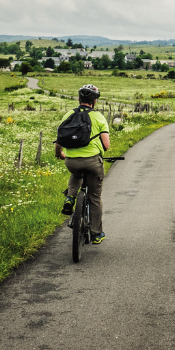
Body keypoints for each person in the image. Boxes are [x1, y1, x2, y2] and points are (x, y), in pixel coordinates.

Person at [55, 84, 111, 244]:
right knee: (94, 196)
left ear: (79, 99)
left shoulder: (68, 114)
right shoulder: (99, 117)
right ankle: (96, 233)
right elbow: (106, 146)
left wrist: (61, 154)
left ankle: (70, 198)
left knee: (76, 173)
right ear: (94, 102)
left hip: (71, 161)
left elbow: (60, 140)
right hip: (93, 162)